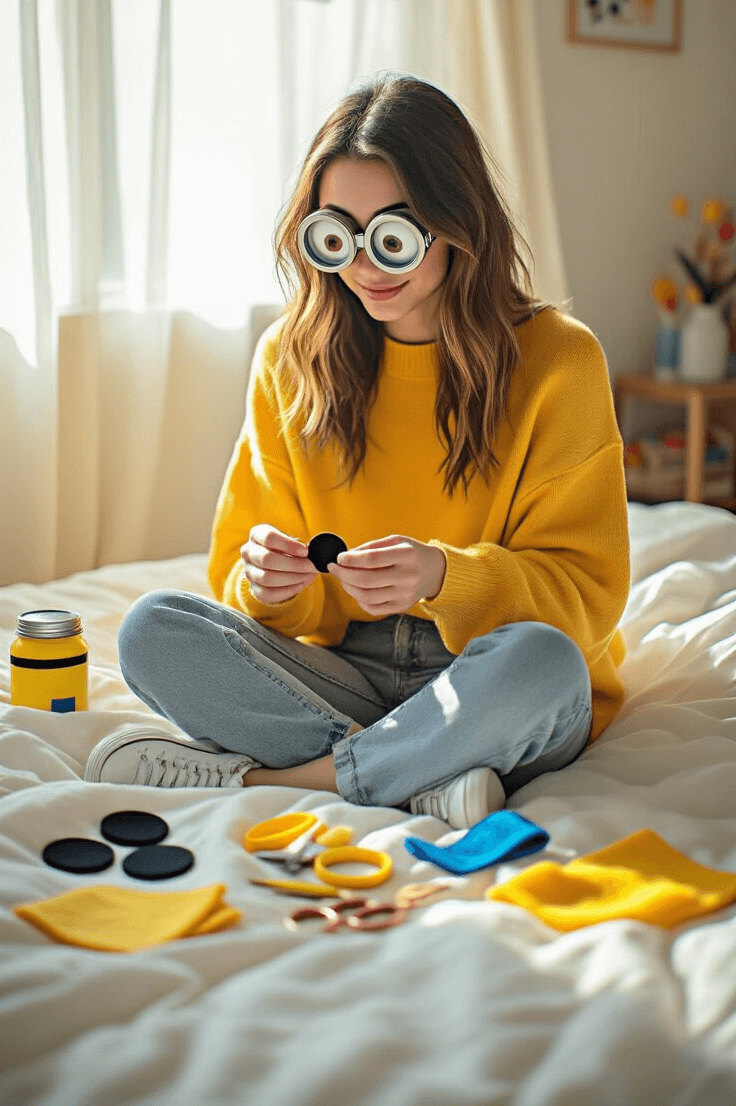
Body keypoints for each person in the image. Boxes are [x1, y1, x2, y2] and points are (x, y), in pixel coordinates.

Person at [85, 75, 630, 829]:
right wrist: (273, 583)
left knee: (544, 667)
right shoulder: (290, 357)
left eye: (395, 235)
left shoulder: (561, 362)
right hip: (342, 672)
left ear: (456, 223)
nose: (367, 266)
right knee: (153, 630)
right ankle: (423, 772)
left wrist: (446, 575)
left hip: (490, 670)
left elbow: (589, 596)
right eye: (338, 234)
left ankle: (283, 781)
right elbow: (241, 583)